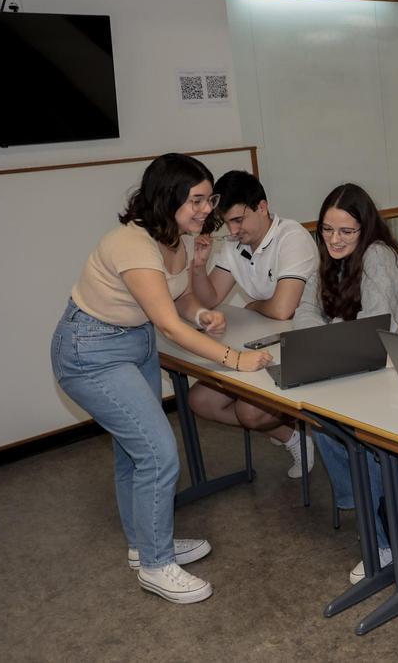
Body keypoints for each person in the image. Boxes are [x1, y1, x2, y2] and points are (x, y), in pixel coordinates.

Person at [51, 154, 273, 604]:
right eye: (196, 200)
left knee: (134, 452)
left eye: (208, 198)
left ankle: (144, 545)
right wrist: (234, 358)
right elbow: (170, 325)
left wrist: (203, 312)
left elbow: (183, 298)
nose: (206, 209)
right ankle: (156, 565)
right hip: (91, 351)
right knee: (158, 452)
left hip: (134, 343)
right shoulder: (131, 243)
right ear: (166, 197)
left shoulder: (181, 238)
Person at [295, 183, 398, 584]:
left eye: (345, 232)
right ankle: (374, 522)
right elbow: (304, 318)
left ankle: (386, 540)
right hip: (379, 369)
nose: (334, 239)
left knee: (365, 439)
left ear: (364, 230)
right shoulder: (330, 259)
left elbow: (372, 329)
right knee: (326, 427)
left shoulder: (379, 257)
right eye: (327, 230)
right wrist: (327, 335)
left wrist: (327, 335)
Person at [186, 170, 318, 478]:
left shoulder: (292, 237)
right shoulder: (235, 244)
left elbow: (284, 310)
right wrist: (198, 266)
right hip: (268, 341)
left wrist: (253, 305)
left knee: (249, 411)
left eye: (238, 220)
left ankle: (297, 424)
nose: (232, 231)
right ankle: (293, 435)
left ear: (262, 207)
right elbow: (210, 297)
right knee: (200, 400)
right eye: (227, 222)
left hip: (305, 344)